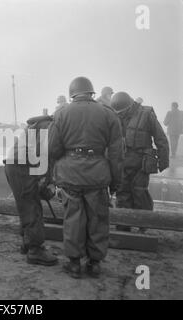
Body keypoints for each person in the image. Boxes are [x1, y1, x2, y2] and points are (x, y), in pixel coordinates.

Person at [49, 77, 123, 278]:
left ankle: (74, 263)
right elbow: (117, 154)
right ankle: (95, 263)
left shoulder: (61, 114)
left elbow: (53, 149)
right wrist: (115, 183)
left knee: (73, 219)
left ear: (72, 94)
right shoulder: (108, 114)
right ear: (91, 93)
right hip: (97, 176)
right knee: (98, 219)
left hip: (70, 176)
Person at [4, 115, 58, 266]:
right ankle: (35, 251)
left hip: (16, 165)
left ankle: (27, 244)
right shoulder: (49, 127)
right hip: (21, 167)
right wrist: (46, 181)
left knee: (26, 205)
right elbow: (44, 155)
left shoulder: (41, 125)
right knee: (32, 207)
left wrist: (47, 181)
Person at [111, 92, 169, 224]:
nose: (120, 114)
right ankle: (123, 226)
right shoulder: (114, 116)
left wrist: (163, 160)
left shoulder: (147, 114)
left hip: (141, 162)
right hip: (122, 162)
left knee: (140, 193)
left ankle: (144, 224)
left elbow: (160, 138)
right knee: (122, 194)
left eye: (122, 112)